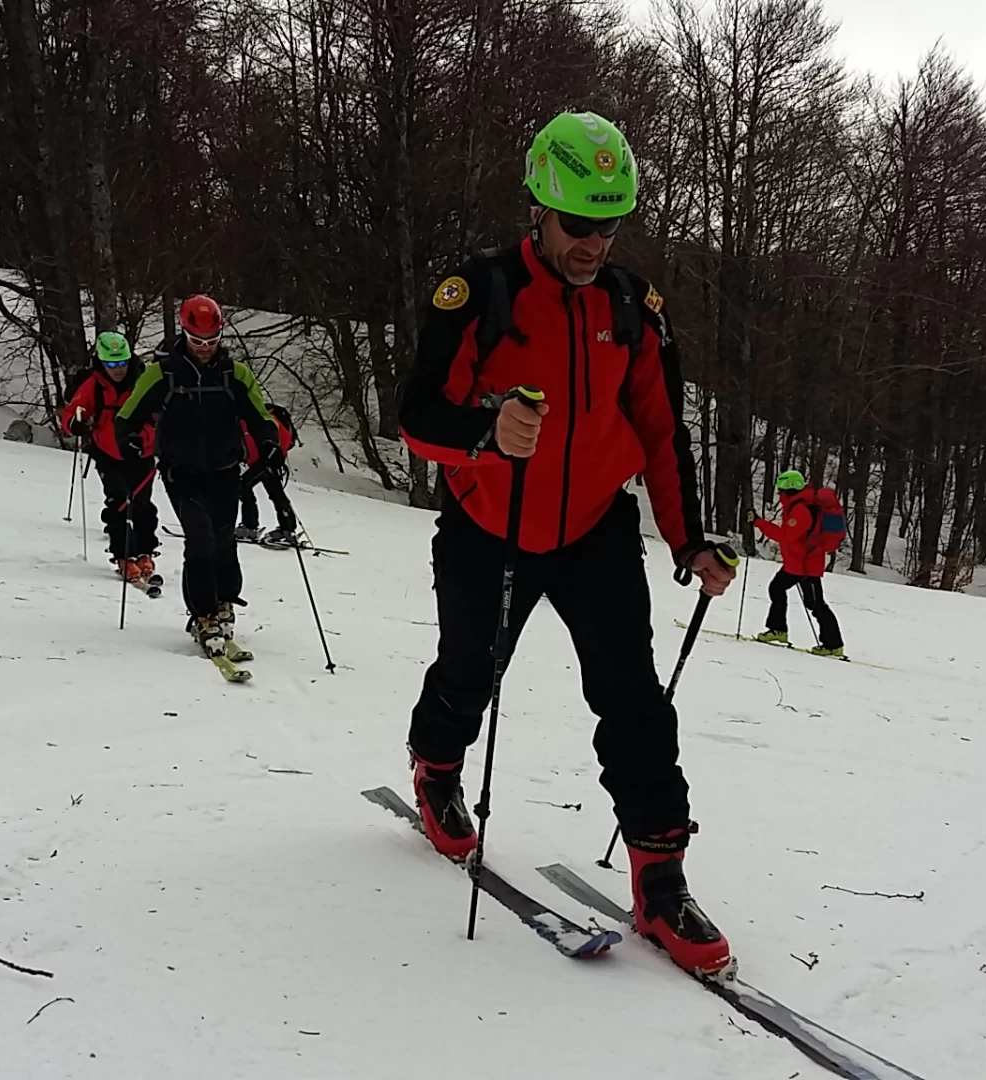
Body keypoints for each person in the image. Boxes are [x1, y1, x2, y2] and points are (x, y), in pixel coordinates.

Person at [397, 110, 738, 978]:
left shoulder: (632, 306)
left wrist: (690, 538)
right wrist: (485, 430)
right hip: (490, 526)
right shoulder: (476, 293)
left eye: (609, 224)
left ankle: (661, 876)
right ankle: (437, 768)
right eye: (578, 224)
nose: (593, 242)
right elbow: (416, 416)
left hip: (593, 527)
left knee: (633, 699)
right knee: (469, 672)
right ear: (539, 210)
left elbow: (662, 434)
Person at [114, 295, 280, 657]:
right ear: (185, 333)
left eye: (211, 340)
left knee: (224, 539)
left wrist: (269, 443)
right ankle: (202, 612)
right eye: (197, 341)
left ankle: (224, 601)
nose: (205, 348)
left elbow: (260, 417)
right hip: (180, 471)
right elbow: (127, 416)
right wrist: (126, 439)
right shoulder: (163, 373)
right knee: (200, 536)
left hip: (223, 470)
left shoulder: (235, 375)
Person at [59, 331, 159, 585]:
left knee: (142, 503)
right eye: (111, 363)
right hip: (108, 452)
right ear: (102, 362)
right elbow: (74, 411)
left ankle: (145, 551)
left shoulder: (145, 381)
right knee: (118, 502)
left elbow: (160, 414)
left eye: (122, 362)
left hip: (141, 452)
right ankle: (123, 555)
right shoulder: (94, 384)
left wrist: (146, 439)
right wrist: (75, 424)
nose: (118, 369)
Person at [750, 470, 845, 657]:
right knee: (778, 589)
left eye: (781, 490)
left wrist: (759, 523)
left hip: (805, 566)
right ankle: (779, 630)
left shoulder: (801, 510)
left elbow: (785, 535)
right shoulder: (798, 506)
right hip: (797, 564)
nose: (779, 494)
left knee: (816, 604)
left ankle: (833, 645)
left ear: (788, 490)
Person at [236, 403, 299, 545]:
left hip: (264, 459)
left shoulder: (250, 419)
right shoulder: (267, 419)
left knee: (244, 485)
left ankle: (250, 527)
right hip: (272, 458)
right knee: (276, 493)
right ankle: (287, 529)